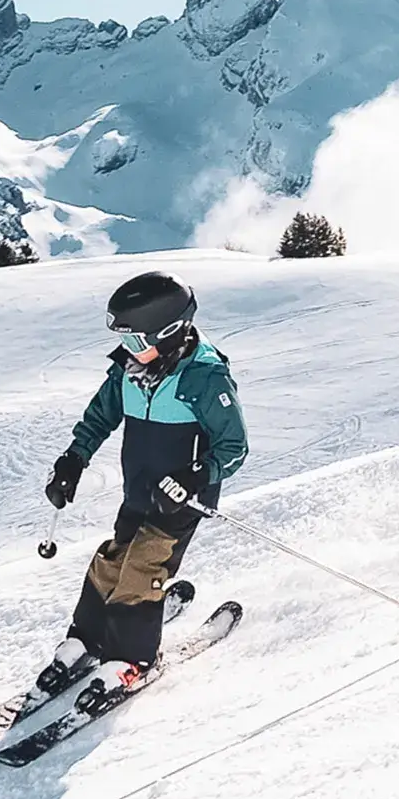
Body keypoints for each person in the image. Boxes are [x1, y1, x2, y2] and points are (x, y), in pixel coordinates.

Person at [37, 272, 249, 695]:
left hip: (182, 500)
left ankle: (133, 659)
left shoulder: (204, 378)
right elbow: (101, 415)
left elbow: (234, 446)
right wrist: (74, 459)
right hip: (139, 490)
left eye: (137, 341)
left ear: (170, 332)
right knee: (110, 561)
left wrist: (196, 475)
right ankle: (86, 640)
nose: (129, 352)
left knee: (141, 569)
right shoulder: (130, 371)